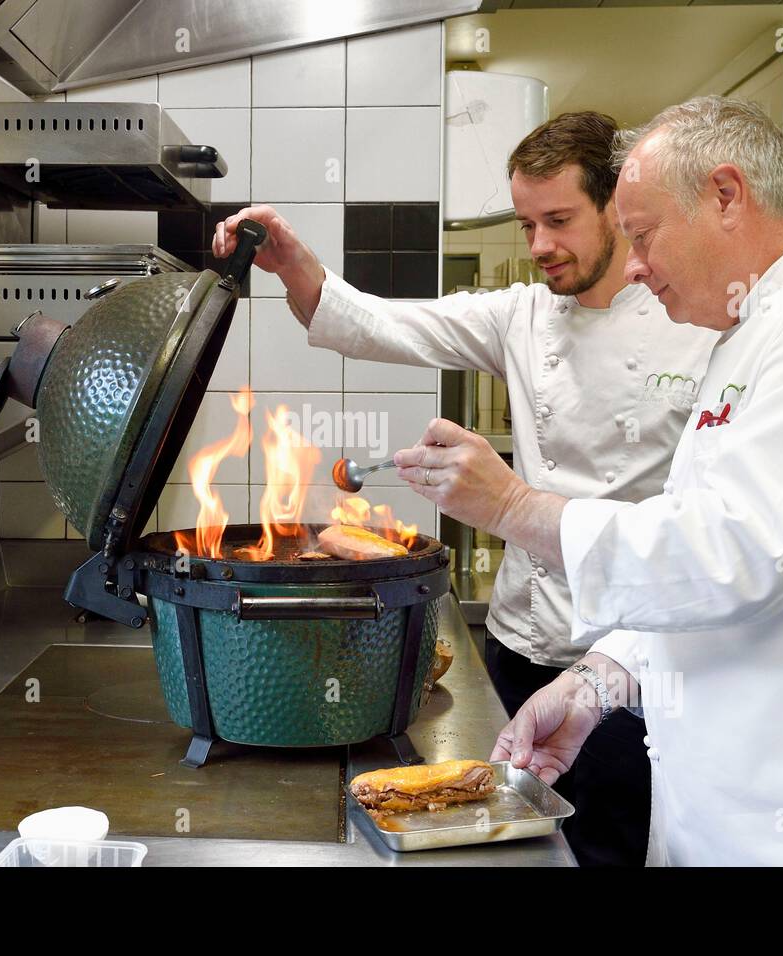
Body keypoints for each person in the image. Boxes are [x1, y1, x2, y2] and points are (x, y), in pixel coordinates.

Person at [391, 95, 783, 864]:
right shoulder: (745, 338)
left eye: (642, 234)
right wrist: (598, 681)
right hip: (724, 819)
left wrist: (512, 506)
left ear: (727, 195)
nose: (634, 265)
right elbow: (693, 540)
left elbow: (737, 553)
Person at [213, 112, 716, 865]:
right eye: (526, 224)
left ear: (618, 206)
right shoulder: (523, 314)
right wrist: (293, 264)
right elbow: (384, 325)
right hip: (518, 641)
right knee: (504, 845)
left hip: (624, 656)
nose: (540, 245)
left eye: (559, 220)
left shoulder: (692, 324)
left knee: (604, 846)